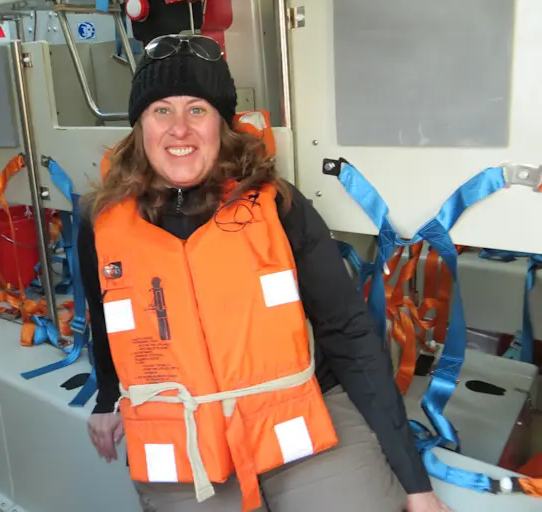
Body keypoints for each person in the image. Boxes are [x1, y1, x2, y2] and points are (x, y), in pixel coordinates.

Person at [77, 34, 452, 512]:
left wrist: (415, 484)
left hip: (300, 417)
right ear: (139, 127)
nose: (179, 129)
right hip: (184, 431)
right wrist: (109, 398)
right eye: (160, 111)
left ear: (222, 125)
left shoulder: (281, 207)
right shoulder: (101, 221)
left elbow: (349, 334)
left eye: (197, 110)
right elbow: (107, 318)